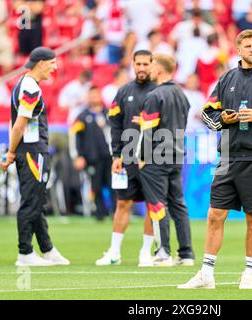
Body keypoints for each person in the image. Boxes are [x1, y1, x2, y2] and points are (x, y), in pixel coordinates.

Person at [178, 29, 252, 289]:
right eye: (248, 46)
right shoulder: (225, 79)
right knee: (215, 215)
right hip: (228, 157)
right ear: (238, 50)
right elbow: (207, 114)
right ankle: (206, 273)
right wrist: (223, 120)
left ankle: (249, 272)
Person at [0, 47, 70, 267]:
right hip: (32, 151)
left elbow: (14, 121)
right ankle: (25, 253)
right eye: (52, 63)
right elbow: (20, 124)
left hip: (26, 150)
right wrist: (11, 152)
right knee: (32, 200)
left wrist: (12, 150)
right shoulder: (31, 87)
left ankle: (47, 249)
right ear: (40, 63)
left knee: (36, 199)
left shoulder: (21, 83)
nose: (55, 67)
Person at [95, 50, 157, 267]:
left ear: (152, 64)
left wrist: (147, 122)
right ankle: (114, 253)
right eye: (138, 63)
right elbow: (115, 126)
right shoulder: (123, 92)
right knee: (123, 203)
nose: (141, 68)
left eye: (145, 64)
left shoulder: (159, 92)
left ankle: (145, 253)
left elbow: (170, 125)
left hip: (152, 158)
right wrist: (116, 155)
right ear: (132, 64)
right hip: (128, 158)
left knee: (152, 205)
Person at [139, 53, 195, 266]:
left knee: (157, 204)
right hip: (177, 154)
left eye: (152, 65)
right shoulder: (182, 94)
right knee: (178, 204)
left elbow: (148, 130)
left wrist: (143, 157)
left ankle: (163, 252)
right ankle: (186, 253)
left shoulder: (155, 95)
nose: (149, 69)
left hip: (156, 156)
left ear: (160, 69)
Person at [70, 86, 115, 221]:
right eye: (91, 95)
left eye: (96, 95)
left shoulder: (110, 114)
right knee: (96, 187)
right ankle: (99, 213)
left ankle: (117, 213)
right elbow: (75, 137)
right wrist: (77, 156)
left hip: (112, 157)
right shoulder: (82, 116)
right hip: (93, 158)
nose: (94, 98)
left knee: (115, 186)